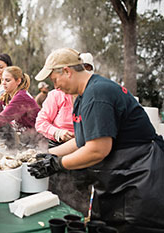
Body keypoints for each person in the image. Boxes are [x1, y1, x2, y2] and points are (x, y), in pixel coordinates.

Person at [30, 48, 164, 232]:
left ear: (67, 71)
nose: (56, 87)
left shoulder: (97, 94)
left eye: (54, 80)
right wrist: (46, 155)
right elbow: (81, 141)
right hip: (120, 173)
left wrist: (57, 164)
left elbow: (97, 150)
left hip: (139, 174)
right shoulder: (82, 97)